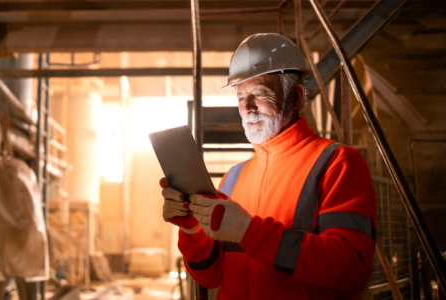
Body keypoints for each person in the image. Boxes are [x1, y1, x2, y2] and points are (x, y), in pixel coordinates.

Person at [161, 33, 376, 299]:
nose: (248, 108)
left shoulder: (337, 164)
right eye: (241, 97)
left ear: (295, 97)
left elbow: (352, 270)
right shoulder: (232, 178)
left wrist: (249, 232)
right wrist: (192, 229)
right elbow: (211, 275)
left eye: (259, 93)